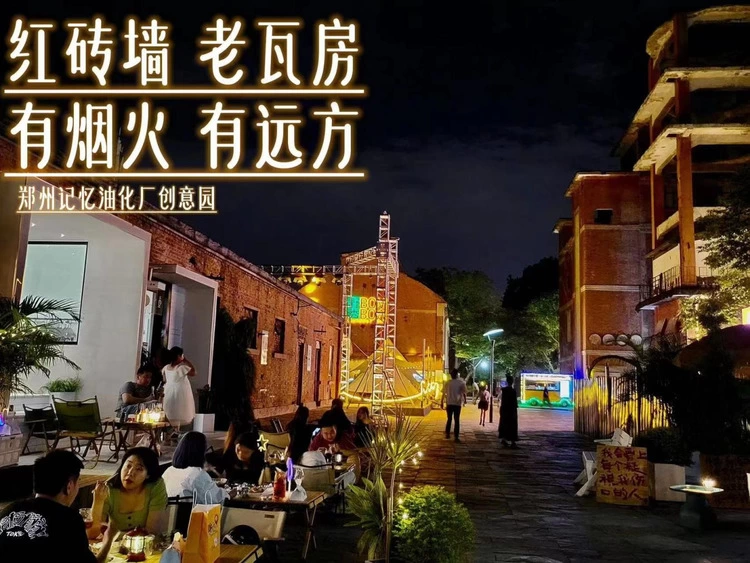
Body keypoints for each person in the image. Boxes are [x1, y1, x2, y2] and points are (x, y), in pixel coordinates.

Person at [0, 449, 100, 562]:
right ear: (69, 486)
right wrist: (109, 538)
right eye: (78, 481)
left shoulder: (7, 512)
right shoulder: (69, 519)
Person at [90, 447, 168, 558]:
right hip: (112, 552)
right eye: (128, 466)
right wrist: (98, 501)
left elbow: (152, 531)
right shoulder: (109, 490)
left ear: (148, 475)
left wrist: (118, 538)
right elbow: (92, 533)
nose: (130, 473)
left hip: (145, 552)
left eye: (139, 469)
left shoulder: (155, 487)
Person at [162, 432, 228, 503]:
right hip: (189, 510)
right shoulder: (197, 474)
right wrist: (229, 494)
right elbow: (216, 499)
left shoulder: (168, 471)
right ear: (200, 452)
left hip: (168, 509)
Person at [162, 346, 196, 430]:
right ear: (179, 356)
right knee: (179, 412)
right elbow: (193, 372)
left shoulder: (166, 367)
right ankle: (175, 430)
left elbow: (164, 379)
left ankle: (171, 431)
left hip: (168, 391)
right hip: (180, 392)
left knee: (170, 412)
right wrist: (186, 361)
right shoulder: (181, 368)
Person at [442, 368, 467, 442]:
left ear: (451, 375)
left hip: (449, 403)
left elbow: (443, 393)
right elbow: (464, 392)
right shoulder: (461, 383)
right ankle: (456, 437)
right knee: (457, 420)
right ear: (457, 375)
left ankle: (447, 434)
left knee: (449, 419)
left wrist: (441, 402)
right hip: (457, 404)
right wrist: (465, 401)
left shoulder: (448, 383)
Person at [499, 375, 519, 448]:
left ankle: (504, 439)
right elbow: (514, 403)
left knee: (504, 424)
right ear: (512, 382)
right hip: (511, 410)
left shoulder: (504, 390)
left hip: (504, 410)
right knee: (512, 426)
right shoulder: (513, 391)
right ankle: (513, 442)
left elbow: (502, 401)